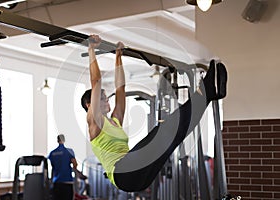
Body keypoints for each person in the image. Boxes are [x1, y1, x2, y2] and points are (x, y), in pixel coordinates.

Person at [81, 34, 227, 192]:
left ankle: (208, 95)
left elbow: (120, 88)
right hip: (123, 174)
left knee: (173, 137)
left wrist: (118, 56)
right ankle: (206, 92)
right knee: (163, 131)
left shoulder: (115, 121)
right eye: (102, 98)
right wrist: (91, 50)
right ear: (90, 105)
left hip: (137, 177)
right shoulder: (94, 122)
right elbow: (96, 82)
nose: (106, 100)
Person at [48, 134, 78, 200]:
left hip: (56, 182)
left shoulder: (52, 153)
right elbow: (75, 164)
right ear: (64, 140)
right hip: (67, 181)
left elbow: (53, 167)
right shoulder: (69, 151)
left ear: (57, 140)